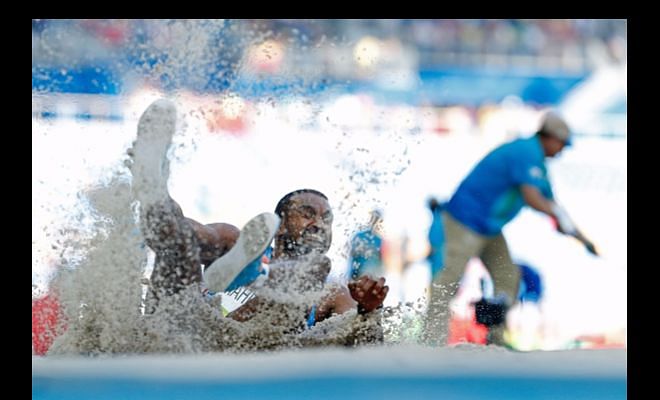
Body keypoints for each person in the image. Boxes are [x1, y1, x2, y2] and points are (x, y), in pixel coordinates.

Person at [131, 99, 388, 333]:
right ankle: (153, 191)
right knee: (186, 242)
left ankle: (256, 277)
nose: (318, 224)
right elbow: (176, 238)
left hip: (237, 348)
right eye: (307, 214)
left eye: (326, 219)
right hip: (182, 331)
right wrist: (166, 211)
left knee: (313, 269)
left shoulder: (332, 293)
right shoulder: (234, 243)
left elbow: (361, 346)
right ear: (280, 227)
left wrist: (368, 310)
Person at [424, 111, 598, 347]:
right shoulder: (526, 151)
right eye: (562, 144)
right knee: (448, 281)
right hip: (463, 221)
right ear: (550, 137)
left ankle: (495, 340)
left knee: (508, 277)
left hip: (488, 228)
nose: (562, 151)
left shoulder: (537, 163)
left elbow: (555, 207)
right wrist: (558, 219)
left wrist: (583, 239)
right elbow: (533, 197)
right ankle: (430, 343)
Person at [346, 209, 385, 280]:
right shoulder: (359, 236)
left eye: (377, 219)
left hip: (372, 274)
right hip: (357, 273)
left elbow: (381, 258)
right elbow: (351, 253)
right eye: (373, 218)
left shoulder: (379, 240)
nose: (375, 220)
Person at [426, 197, 445, 280]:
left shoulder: (438, 218)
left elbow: (434, 238)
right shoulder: (439, 216)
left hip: (439, 249)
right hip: (439, 249)